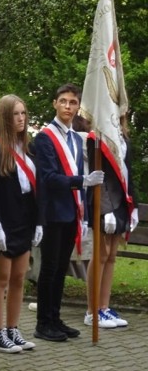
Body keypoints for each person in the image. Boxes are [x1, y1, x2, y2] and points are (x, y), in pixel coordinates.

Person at [34, 83, 104, 342]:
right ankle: (43, 323)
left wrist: (83, 214)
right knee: (49, 268)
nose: (67, 106)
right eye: (63, 101)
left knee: (62, 267)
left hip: (71, 211)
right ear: (54, 103)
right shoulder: (44, 138)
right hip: (52, 212)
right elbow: (49, 178)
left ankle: (55, 318)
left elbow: (76, 175)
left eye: (72, 102)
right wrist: (82, 181)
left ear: (77, 107)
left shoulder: (76, 138)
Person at [0, 95, 38, 353]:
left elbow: (35, 189)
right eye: (16, 114)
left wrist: (39, 223)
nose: (21, 119)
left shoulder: (27, 147)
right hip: (2, 222)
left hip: (24, 221)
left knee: (18, 278)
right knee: (1, 279)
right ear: (5, 117)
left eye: (23, 113)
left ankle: (13, 329)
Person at [84, 114, 138, 328]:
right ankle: (91, 311)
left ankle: (104, 308)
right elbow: (97, 174)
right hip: (104, 203)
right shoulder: (95, 137)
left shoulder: (123, 136)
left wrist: (132, 206)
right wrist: (106, 210)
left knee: (112, 256)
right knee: (100, 255)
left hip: (122, 202)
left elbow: (128, 173)